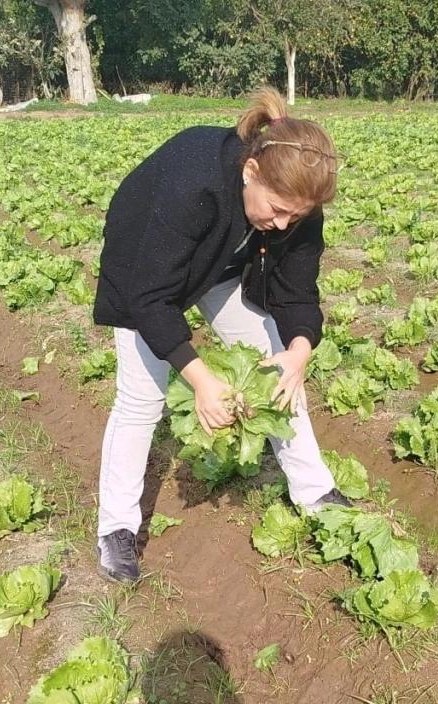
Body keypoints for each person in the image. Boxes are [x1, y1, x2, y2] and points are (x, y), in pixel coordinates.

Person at [91, 87, 351, 583]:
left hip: (223, 262)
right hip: (145, 264)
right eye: (275, 210)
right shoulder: (193, 180)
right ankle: (116, 531)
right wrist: (201, 380)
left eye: (292, 217)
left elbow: (298, 293)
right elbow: (151, 298)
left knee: (277, 370)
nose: (280, 224)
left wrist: (298, 352)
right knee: (141, 399)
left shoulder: (298, 205)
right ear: (250, 171)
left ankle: (316, 494)